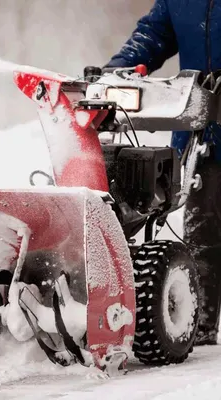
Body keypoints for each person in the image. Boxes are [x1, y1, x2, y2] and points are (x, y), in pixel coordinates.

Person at [104, 0, 221, 346]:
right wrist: (118, 70)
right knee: (203, 232)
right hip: (205, 134)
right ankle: (199, 322)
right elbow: (153, 35)